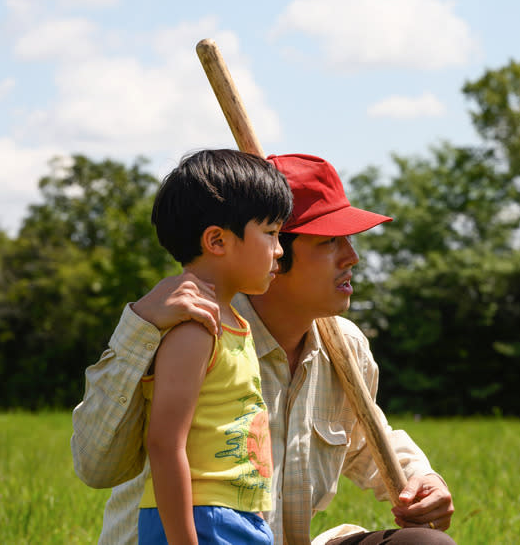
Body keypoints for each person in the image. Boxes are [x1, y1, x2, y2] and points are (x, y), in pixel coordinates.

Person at [71, 153, 456, 545]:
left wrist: (421, 478)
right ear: (277, 251)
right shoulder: (189, 327)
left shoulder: (347, 347)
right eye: (328, 242)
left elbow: (366, 439)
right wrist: (138, 327)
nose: (352, 257)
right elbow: (95, 466)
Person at [136, 149, 293, 544]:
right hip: (202, 519)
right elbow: (164, 442)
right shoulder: (195, 330)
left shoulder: (234, 324)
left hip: (235, 516)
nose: (280, 250)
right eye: (271, 233)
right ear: (217, 240)